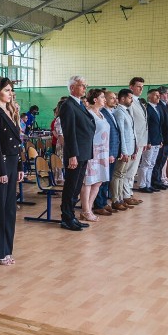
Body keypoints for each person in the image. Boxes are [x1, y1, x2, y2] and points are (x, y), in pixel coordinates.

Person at [0, 77, 24, 265]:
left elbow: (18, 143)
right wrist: (1, 171)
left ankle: (7, 249)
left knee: (9, 210)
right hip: (1, 165)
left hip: (12, 163)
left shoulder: (10, 113)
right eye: (7, 90)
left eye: (11, 90)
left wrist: (20, 166)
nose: (10, 93)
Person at [58, 76, 95, 231]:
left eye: (85, 85)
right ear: (72, 87)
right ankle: (66, 218)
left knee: (77, 185)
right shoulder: (68, 105)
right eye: (82, 86)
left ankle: (72, 215)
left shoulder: (79, 104)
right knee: (71, 186)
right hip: (76, 152)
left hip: (83, 151)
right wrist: (72, 154)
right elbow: (70, 132)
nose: (84, 88)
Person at [80, 89, 110, 222]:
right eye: (102, 97)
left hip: (103, 152)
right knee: (88, 182)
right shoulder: (88, 113)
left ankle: (89, 208)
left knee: (98, 181)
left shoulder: (102, 114)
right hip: (92, 151)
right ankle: (85, 210)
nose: (105, 99)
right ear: (95, 99)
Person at [93, 91, 120, 216]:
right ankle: (99, 204)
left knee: (106, 179)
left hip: (111, 151)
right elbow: (104, 136)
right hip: (104, 151)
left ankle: (103, 202)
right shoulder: (102, 113)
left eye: (115, 98)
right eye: (111, 98)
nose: (115, 100)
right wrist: (109, 152)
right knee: (102, 179)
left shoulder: (110, 113)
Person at [110, 90, 137, 211]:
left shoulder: (125, 111)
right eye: (130, 98)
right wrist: (124, 151)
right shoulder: (119, 112)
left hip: (130, 148)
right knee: (118, 174)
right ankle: (116, 199)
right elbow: (121, 133)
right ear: (122, 99)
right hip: (124, 149)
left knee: (123, 174)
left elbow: (130, 131)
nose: (131, 100)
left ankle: (121, 198)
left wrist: (134, 147)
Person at [124, 77, 148, 206]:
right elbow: (131, 124)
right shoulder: (130, 102)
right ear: (131, 87)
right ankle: (125, 195)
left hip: (140, 141)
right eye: (138, 86)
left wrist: (144, 141)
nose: (141, 89)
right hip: (134, 141)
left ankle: (129, 193)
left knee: (133, 171)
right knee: (129, 170)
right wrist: (135, 143)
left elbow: (143, 123)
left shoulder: (138, 102)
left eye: (142, 87)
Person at [138, 89, 165, 192]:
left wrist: (160, 139)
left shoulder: (157, 108)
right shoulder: (148, 109)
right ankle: (142, 185)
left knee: (152, 163)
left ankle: (148, 184)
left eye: (159, 95)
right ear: (149, 97)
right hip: (150, 141)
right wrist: (148, 141)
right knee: (146, 163)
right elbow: (146, 126)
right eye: (156, 95)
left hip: (157, 140)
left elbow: (159, 126)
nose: (158, 97)